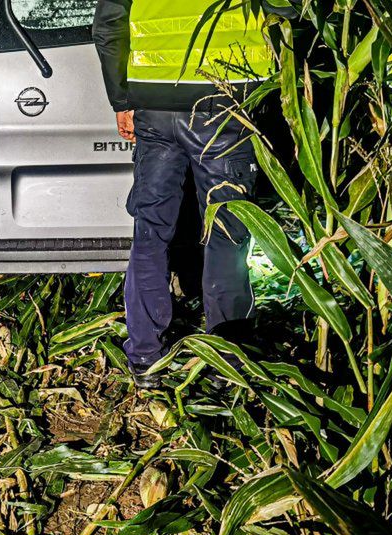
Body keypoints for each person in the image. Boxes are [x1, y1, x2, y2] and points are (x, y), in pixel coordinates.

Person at [93, 0, 295, 389]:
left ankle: (145, 357)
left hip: (153, 103)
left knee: (150, 231)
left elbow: (108, 26)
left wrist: (123, 99)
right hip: (225, 100)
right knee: (227, 232)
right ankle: (226, 359)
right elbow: (286, 13)